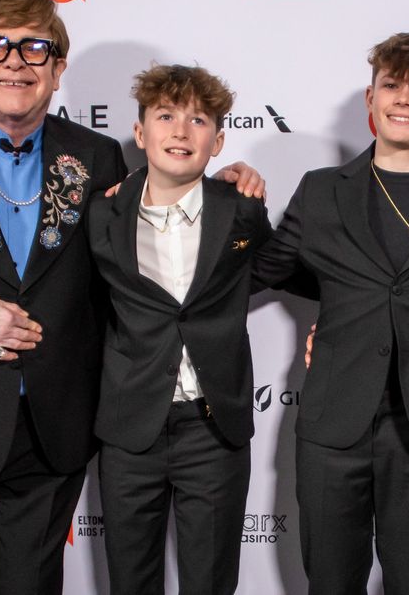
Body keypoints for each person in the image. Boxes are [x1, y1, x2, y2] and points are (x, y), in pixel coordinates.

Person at [0, 0, 262, 595]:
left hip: (51, 429)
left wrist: (226, 185)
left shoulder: (97, 158)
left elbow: (148, 246)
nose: (15, 62)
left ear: (57, 67)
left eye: (34, 48)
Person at [254, 33, 409, 594]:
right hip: (333, 427)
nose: (404, 98)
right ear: (370, 99)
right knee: (330, 583)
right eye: (392, 85)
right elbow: (264, 271)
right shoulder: (323, 190)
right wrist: (212, 199)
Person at [86, 64, 272, 595]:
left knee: (211, 583)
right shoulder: (101, 216)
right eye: (166, 116)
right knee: (130, 581)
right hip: (129, 430)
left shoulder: (242, 210)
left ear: (217, 141)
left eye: (199, 119)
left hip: (213, 429)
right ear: (141, 133)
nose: (181, 130)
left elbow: (286, 268)